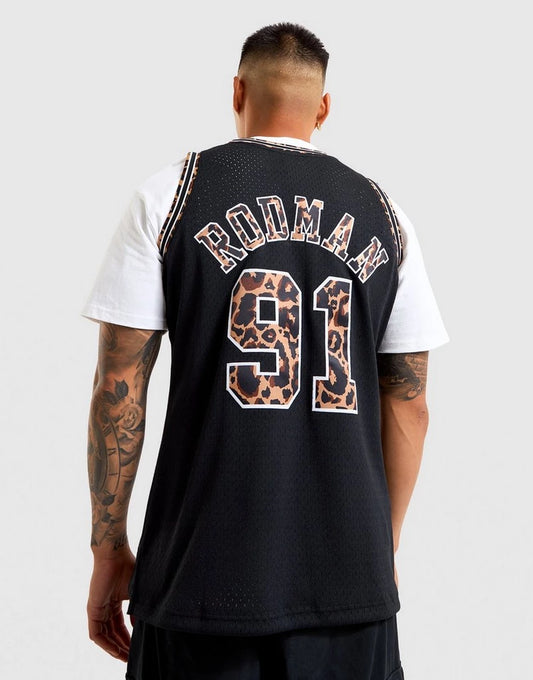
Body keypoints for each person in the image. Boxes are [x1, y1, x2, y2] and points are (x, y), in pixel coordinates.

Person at [83, 22, 449, 680]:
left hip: (198, 578)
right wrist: (380, 545)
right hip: (349, 582)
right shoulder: (385, 213)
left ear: (236, 91)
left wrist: (108, 549)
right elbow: (410, 402)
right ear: (323, 108)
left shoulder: (171, 196)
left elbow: (119, 387)